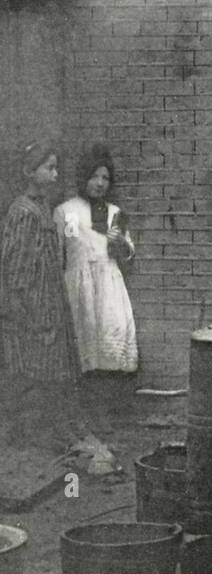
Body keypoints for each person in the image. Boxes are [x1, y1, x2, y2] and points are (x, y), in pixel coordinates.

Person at [0, 143, 80, 447]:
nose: (55, 174)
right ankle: (26, 433)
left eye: (56, 167)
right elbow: (17, 264)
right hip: (33, 302)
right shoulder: (23, 211)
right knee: (34, 369)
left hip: (49, 297)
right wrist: (26, 307)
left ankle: (52, 430)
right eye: (49, 167)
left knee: (53, 368)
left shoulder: (42, 206)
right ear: (29, 172)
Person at [54, 144, 138, 378]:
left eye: (105, 178)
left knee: (113, 331)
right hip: (80, 286)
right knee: (84, 337)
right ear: (83, 177)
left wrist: (119, 241)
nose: (100, 183)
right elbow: (64, 249)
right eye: (94, 177)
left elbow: (128, 253)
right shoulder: (67, 211)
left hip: (109, 286)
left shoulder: (115, 213)